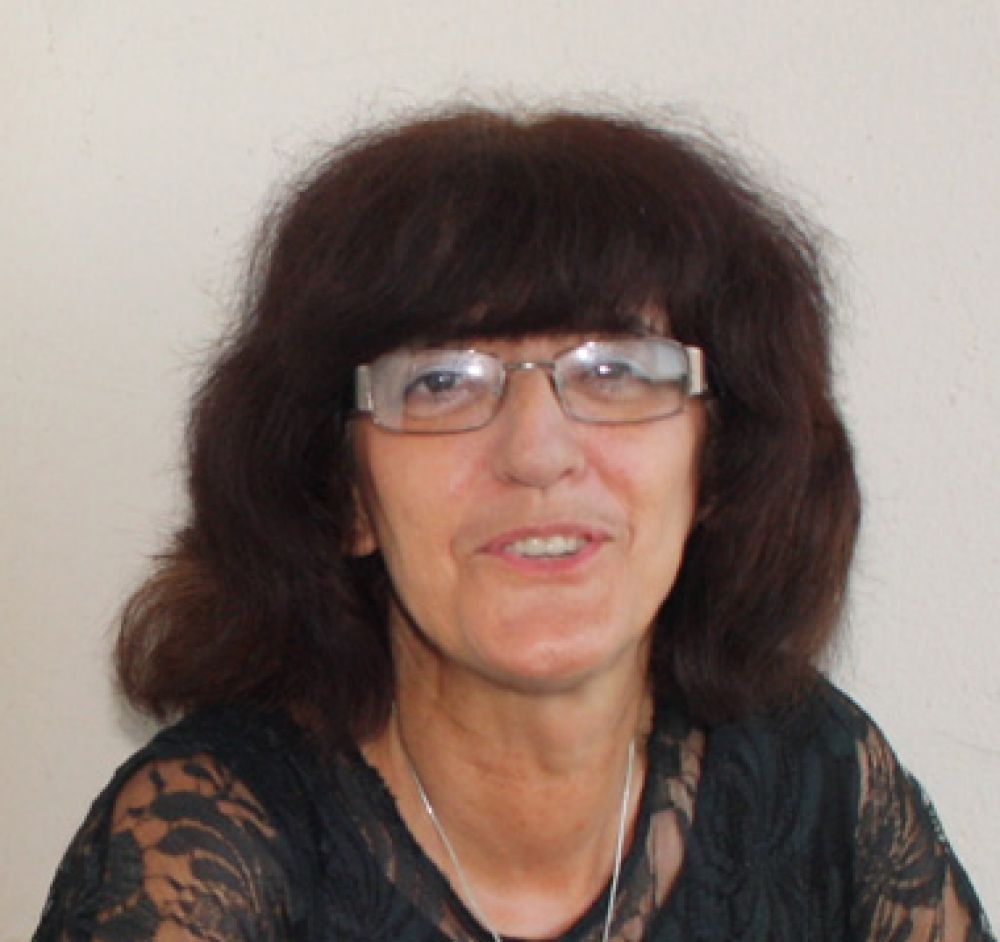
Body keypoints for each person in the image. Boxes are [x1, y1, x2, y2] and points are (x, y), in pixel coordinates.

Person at [34, 106, 993, 942]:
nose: (538, 452)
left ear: (718, 462)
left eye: (615, 371)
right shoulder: (203, 848)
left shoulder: (812, 777)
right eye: (442, 382)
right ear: (345, 492)